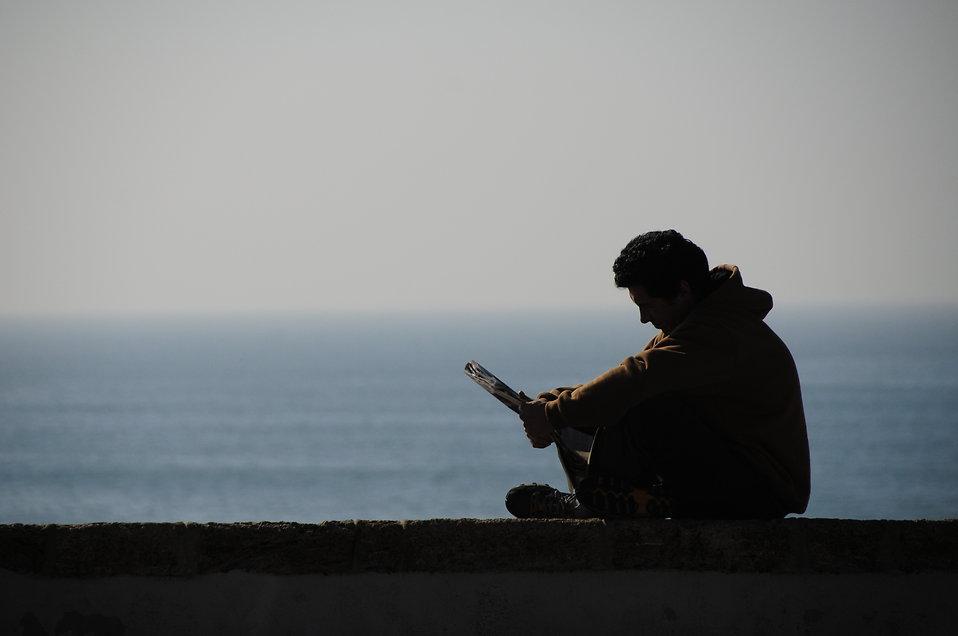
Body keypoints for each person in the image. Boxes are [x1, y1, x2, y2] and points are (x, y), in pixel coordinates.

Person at [507, 230, 810, 519]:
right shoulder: (696, 323)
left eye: (647, 305)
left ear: (682, 290)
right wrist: (551, 404)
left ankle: (589, 505)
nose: (643, 318)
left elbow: (636, 378)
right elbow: (624, 380)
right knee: (612, 405)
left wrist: (553, 413)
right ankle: (638, 500)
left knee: (642, 406)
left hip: (760, 492)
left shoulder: (718, 332)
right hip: (732, 477)